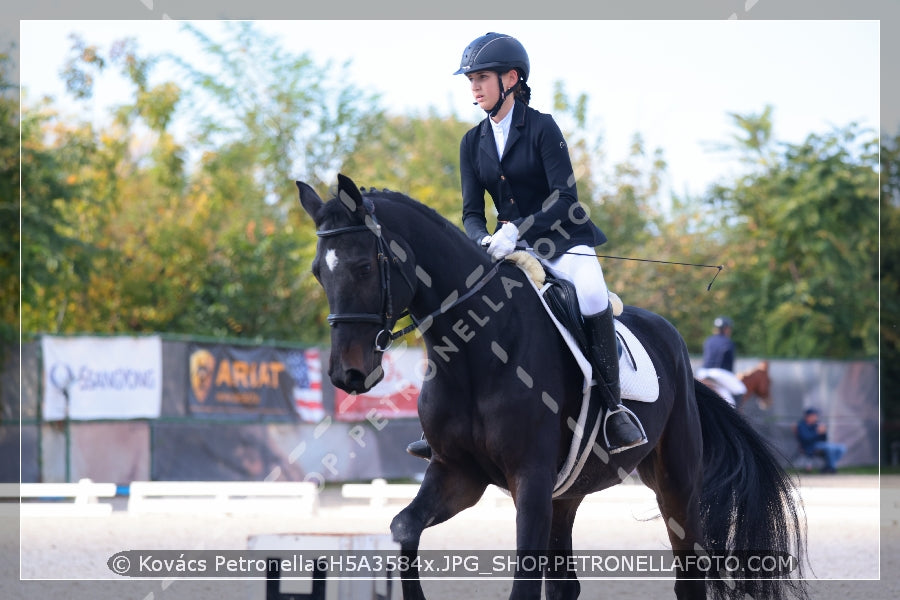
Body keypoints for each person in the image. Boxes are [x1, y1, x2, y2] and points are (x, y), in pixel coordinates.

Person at [406, 32, 647, 461]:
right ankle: (446, 419)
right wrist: (479, 239)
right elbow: (470, 211)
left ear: (511, 79)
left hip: (562, 240)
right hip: (503, 247)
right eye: (471, 80)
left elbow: (565, 198)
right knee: (467, 309)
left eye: (482, 78)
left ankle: (614, 409)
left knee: (591, 295)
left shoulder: (541, 127)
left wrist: (519, 229)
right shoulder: (471, 142)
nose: (474, 87)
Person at [696, 316, 746, 407]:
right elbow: (729, 363)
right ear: (726, 329)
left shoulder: (708, 340)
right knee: (741, 389)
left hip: (702, 372)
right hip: (719, 373)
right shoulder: (728, 342)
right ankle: (735, 414)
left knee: (723, 391)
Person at [794, 408, 846, 474]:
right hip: (809, 446)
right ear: (808, 416)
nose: (815, 417)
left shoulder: (816, 425)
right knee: (830, 448)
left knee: (841, 448)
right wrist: (817, 432)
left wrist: (823, 432)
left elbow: (824, 440)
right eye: (814, 416)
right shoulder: (802, 425)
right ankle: (831, 468)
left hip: (819, 445)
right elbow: (805, 439)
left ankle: (828, 466)